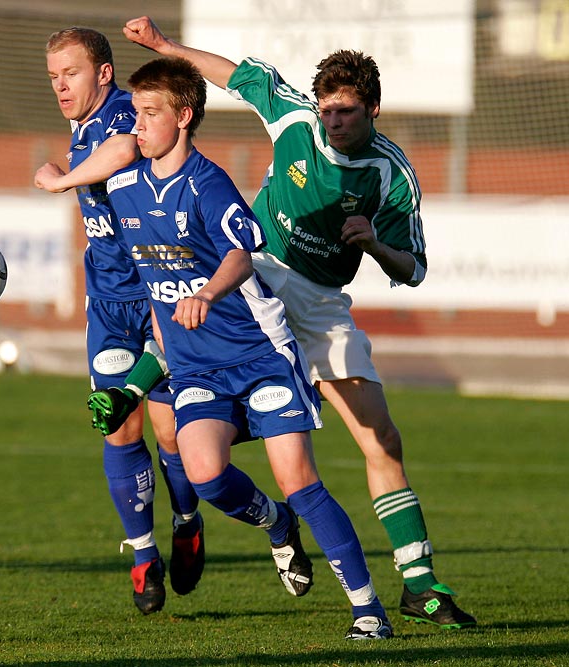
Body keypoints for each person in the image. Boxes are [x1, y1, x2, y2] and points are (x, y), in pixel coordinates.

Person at [119, 16, 477, 629]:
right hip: (256, 275)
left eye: (348, 112)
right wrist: (165, 48)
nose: (334, 122)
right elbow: (238, 77)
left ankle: (419, 583)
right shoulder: (294, 118)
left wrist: (374, 246)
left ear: (374, 110)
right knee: (178, 419)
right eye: (329, 110)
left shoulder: (392, 175)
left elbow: (413, 267)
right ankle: (209, 513)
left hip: (320, 302)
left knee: (380, 438)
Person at [101, 54, 393, 641]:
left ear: (183, 117)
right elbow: (157, 293)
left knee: (301, 481)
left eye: (149, 114)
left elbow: (242, 250)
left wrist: (208, 293)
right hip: (195, 366)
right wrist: (60, 179)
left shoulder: (208, 183)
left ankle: (369, 610)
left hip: (260, 355)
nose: (137, 125)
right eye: (134, 113)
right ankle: (276, 527)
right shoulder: (126, 186)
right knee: (206, 474)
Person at [34, 27, 205, 615]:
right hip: (109, 304)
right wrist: (66, 164)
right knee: (116, 424)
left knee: (169, 432)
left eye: (71, 73)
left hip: (159, 293)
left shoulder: (124, 117)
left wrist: (62, 179)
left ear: (103, 73)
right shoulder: (82, 125)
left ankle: (188, 520)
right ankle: (142, 554)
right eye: (54, 74)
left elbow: (126, 153)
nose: (60, 84)